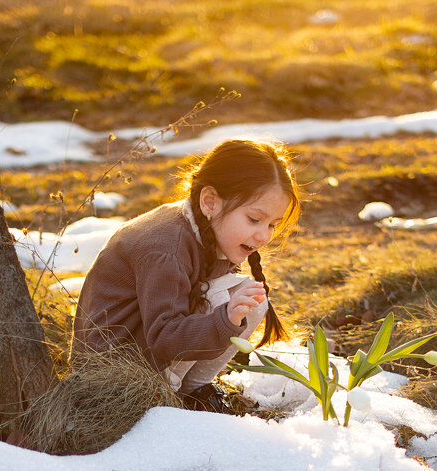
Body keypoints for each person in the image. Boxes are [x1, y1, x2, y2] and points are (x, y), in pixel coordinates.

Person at [71, 139, 300, 412]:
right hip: (111, 374)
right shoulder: (166, 249)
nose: (263, 236)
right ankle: (163, 397)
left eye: (272, 224)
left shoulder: (206, 227)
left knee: (248, 299)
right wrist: (224, 318)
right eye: (253, 219)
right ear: (210, 201)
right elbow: (165, 336)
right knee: (221, 301)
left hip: (143, 349)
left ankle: (191, 393)